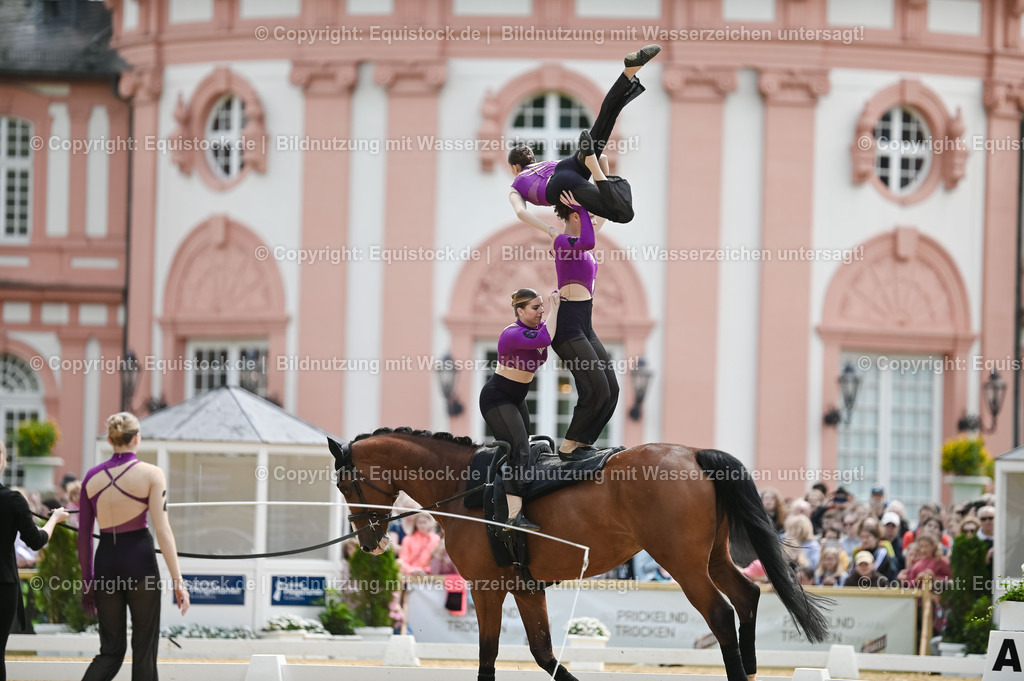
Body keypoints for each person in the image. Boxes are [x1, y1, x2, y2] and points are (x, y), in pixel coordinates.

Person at [78, 412, 190, 681]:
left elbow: (83, 537)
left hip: (106, 565)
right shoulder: (152, 474)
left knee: (111, 651)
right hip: (140, 564)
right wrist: (178, 580)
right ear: (136, 439)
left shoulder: (90, 479)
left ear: (110, 439)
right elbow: (163, 530)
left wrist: (87, 583)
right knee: (144, 649)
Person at [508, 45, 662, 233]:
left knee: (623, 214)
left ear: (515, 168)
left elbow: (520, 213)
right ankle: (628, 73)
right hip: (568, 165)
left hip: (559, 186)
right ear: (531, 160)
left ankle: (589, 153)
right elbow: (602, 158)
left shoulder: (516, 186)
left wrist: (550, 230)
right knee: (605, 120)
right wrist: (591, 164)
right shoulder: (544, 165)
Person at [479, 288, 560, 531]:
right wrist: (555, 308)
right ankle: (513, 516)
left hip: (518, 397)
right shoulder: (511, 334)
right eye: (535, 308)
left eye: (542, 307)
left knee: (526, 446)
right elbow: (546, 339)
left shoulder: (536, 328)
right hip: (497, 397)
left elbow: (550, 332)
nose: (541, 311)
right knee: (520, 448)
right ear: (520, 310)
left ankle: (510, 490)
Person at [548, 192, 617, 459]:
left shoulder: (576, 240)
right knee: (595, 387)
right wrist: (579, 204)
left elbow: (607, 213)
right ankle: (568, 446)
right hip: (567, 326)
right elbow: (588, 239)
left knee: (612, 389)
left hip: (585, 324)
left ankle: (584, 443)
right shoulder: (564, 242)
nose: (594, 219)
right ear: (576, 215)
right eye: (588, 214)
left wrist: (603, 178)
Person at [0, 443, 69, 681]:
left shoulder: (15, 501)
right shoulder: (13, 500)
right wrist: (55, 520)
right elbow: (36, 540)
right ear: (4, 462)